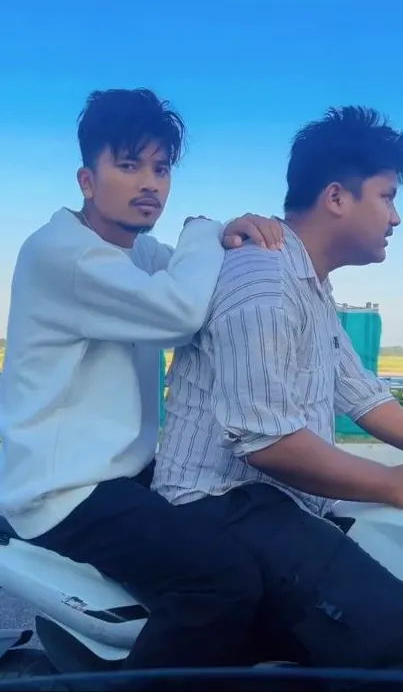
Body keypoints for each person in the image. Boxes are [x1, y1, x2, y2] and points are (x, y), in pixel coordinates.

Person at [0, 88, 283, 669]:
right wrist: (208, 226)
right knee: (223, 583)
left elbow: (200, 282)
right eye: (127, 166)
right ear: (87, 179)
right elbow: (180, 312)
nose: (149, 183)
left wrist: (248, 243)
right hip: (65, 489)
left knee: (256, 532)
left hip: (121, 475)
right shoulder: (64, 252)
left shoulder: (136, 253)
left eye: (160, 168)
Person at [154, 105, 403, 672]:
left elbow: (363, 395)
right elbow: (270, 442)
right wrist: (391, 483)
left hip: (277, 504)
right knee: (391, 636)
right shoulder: (264, 279)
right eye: (387, 196)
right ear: (337, 198)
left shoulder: (310, 286)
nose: (395, 217)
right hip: (218, 507)